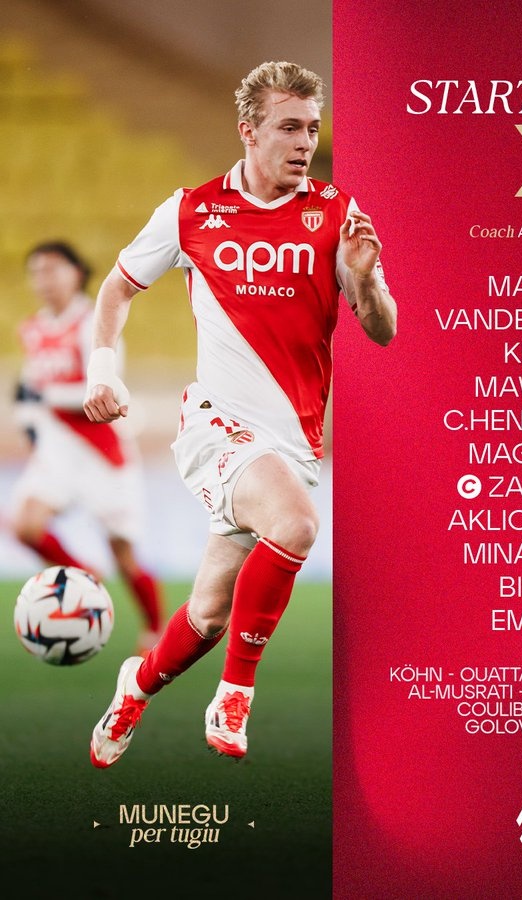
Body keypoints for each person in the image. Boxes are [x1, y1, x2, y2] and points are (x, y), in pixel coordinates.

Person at [84, 61, 397, 767]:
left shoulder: (337, 214)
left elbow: (383, 330)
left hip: (292, 443)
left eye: (312, 128)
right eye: (289, 127)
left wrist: (365, 276)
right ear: (248, 132)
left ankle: (135, 687)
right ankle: (234, 696)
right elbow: (116, 291)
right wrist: (102, 369)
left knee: (208, 616)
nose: (305, 143)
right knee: (298, 525)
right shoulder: (190, 211)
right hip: (217, 425)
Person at [11, 241, 166, 657]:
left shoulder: (94, 322)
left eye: (53, 269)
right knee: (25, 525)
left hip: (103, 453)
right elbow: (29, 389)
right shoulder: (33, 328)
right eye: (36, 272)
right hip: (59, 451)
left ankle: (155, 629)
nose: (43, 279)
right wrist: (30, 421)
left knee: (125, 555)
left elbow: (103, 388)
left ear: (77, 273)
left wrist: (46, 395)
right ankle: (85, 579)